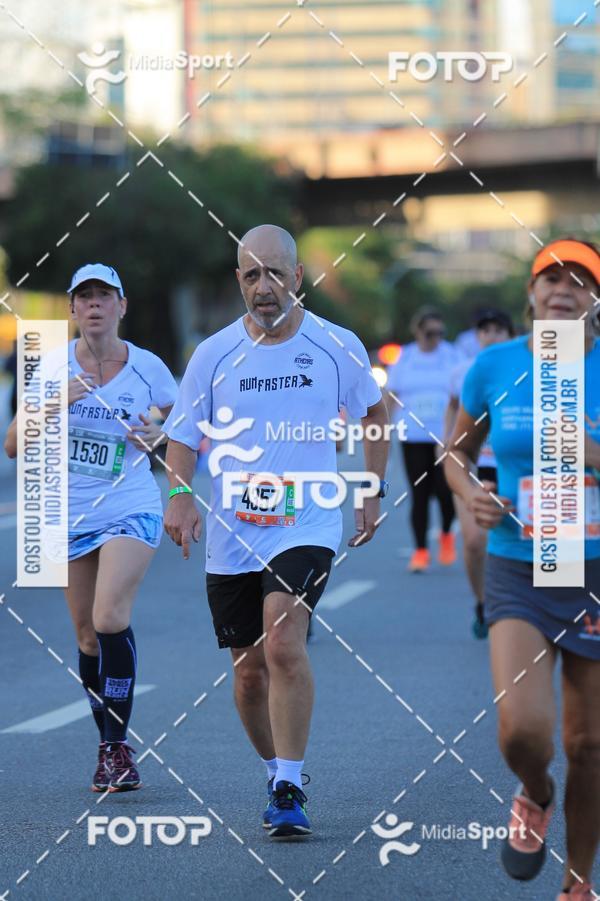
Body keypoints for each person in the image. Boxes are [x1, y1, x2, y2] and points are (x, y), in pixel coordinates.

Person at [163, 224, 389, 838]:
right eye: (251, 275)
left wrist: (369, 485)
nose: (265, 287)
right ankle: (273, 770)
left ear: (297, 278)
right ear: (240, 281)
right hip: (234, 529)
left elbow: (372, 408)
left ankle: (290, 785)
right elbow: (183, 435)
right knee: (248, 670)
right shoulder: (213, 354)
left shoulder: (335, 345)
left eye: (275, 273)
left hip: (309, 517)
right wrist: (181, 496)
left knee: (285, 641)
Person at [444, 239, 600, 900]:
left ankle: (577, 880)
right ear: (531, 294)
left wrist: (589, 447)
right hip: (519, 562)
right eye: (551, 278)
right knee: (524, 731)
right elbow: (455, 450)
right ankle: (535, 791)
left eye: (579, 280)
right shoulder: (494, 365)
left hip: (591, 568)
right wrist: (468, 491)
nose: (563, 289)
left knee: (589, 742)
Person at [5, 263, 177, 792]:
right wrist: (59, 403)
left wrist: (156, 433)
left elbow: (180, 423)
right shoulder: (52, 366)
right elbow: (13, 443)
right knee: (85, 636)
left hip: (130, 503)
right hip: (68, 514)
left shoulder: (148, 367)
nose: (94, 305)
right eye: (85, 298)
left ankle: (115, 747)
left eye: (104, 296)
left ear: (122, 306)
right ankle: (109, 745)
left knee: (108, 617)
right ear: (72, 309)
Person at [444, 309, 515, 638]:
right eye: (485, 330)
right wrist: (448, 450)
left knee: (513, 539)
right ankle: (483, 603)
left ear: (510, 335)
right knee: (474, 541)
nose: (492, 336)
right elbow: (454, 412)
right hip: (475, 465)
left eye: (499, 330)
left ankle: (517, 607)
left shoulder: (521, 369)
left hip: (512, 467)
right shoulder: (463, 372)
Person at [386, 306, 458, 572]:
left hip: (444, 437)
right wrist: (382, 430)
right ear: (417, 331)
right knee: (419, 494)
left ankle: (447, 535)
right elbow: (390, 395)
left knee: (444, 491)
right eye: (430, 333)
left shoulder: (452, 356)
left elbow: (463, 394)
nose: (435, 338)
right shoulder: (405, 357)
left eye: (440, 332)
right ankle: (420, 551)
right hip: (412, 436)